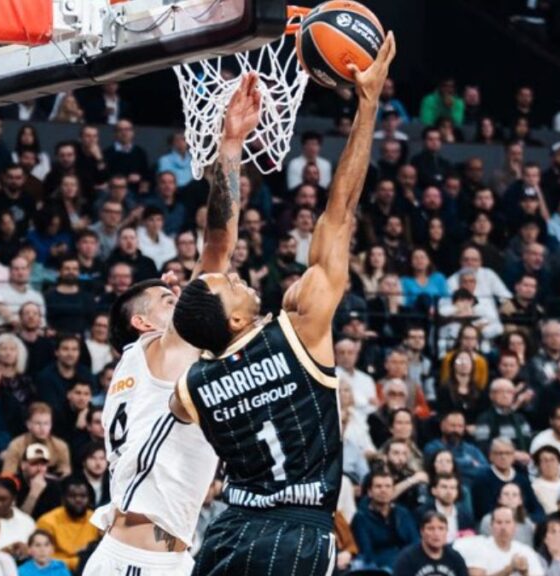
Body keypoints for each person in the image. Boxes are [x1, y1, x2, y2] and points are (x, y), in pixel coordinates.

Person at [168, 37, 395, 576]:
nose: (241, 280)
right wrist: (367, 106)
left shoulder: (190, 388)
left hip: (230, 529)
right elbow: (339, 211)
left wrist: (228, 147)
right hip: (296, 532)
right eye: (233, 287)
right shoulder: (300, 330)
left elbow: (183, 403)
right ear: (237, 319)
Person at [82, 72, 265, 575]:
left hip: (154, 555)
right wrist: (230, 146)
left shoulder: (141, 368)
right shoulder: (159, 349)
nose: (178, 293)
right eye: (167, 298)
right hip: (139, 561)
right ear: (143, 323)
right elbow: (218, 247)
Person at [454, 506, 545, 576]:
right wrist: (509, 569)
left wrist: (525, 572)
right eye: (499, 522)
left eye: (508, 522)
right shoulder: (479, 547)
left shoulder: (526, 551)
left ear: (515, 526)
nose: (503, 528)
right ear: (491, 526)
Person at [36, 476, 100, 572]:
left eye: (83, 496)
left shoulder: (96, 520)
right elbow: (43, 558)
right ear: (63, 498)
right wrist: (78, 562)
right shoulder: (47, 521)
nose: (78, 500)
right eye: (72, 496)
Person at [393, 511, 470, 576]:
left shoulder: (455, 558)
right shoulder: (407, 559)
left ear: (447, 532)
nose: (436, 533)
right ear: (422, 531)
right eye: (430, 528)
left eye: (441, 528)